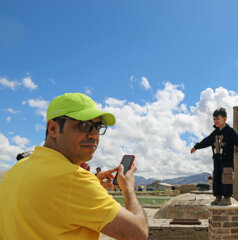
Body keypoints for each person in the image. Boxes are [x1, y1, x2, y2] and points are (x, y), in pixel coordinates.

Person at [0, 93, 148, 240]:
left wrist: (94, 182)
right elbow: (137, 233)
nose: (94, 135)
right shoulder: (73, 179)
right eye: (84, 125)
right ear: (53, 129)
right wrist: (128, 188)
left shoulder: (17, 169)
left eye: (97, 127)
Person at [190, 108, 238, 206]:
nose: (216, 121)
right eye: (214, 119)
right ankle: (218, 197)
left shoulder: (230, 131)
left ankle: (227, 198)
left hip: (227, 160)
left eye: (218, 118)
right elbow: (206, 141)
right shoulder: (215, 133)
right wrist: (196, 147)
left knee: (227, 178)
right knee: (216, 178)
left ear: (225, 119)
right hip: (217, 160)